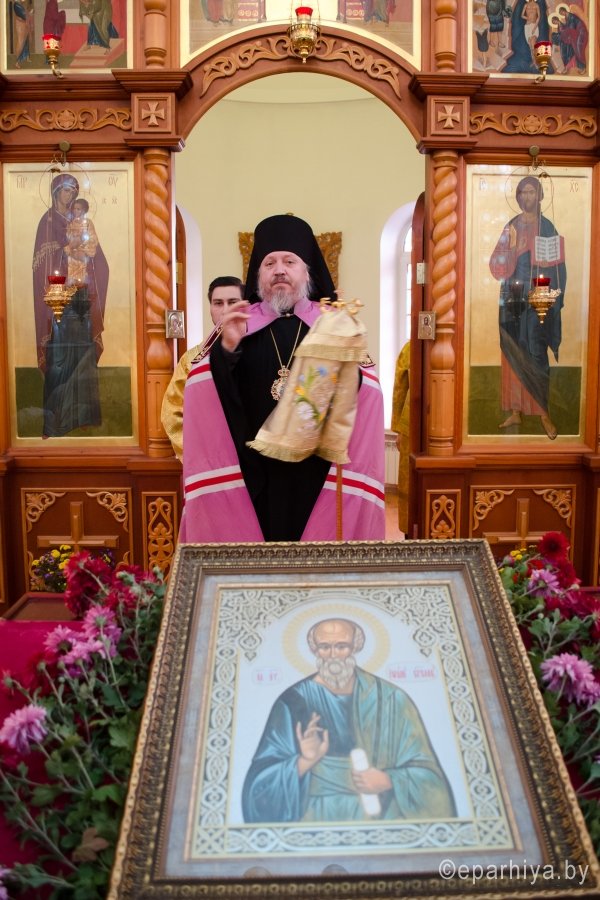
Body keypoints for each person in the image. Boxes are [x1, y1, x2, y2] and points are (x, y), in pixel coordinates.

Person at [178, 213, 385, 542]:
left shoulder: (331, 324)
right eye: (269, 263)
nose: (279, 270)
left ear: (306, 272)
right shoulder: (238, 324)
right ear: (258, 275)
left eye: (289, 261)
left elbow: (366, 393)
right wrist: (227, 350)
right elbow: (206, 392)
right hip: (254, 472)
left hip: (316, 472)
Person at [242, 617, 456, 823]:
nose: (333, 655)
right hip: (317, 817)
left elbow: (428, 775)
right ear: (314, 650)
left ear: (355, 647)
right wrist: (305, 761)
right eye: (324, 647)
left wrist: (389, 780)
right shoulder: (291, 701)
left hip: (383, 816)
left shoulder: (391, 699)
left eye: (342, 646)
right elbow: (258, 787)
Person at [32, 172, 109, 438]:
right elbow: (41, 264)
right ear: (56, 192)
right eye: (66, 190)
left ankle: (84, 416)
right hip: (58, 301)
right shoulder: (48, 222)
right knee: (59, 359)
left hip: (81, 298)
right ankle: (53, 424)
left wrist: (88, 258)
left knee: (83, 354)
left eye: (73, 192)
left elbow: (99, 261)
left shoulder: (83, 223)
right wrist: (64, 251)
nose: (70, 196)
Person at [489, 175, 566, 440]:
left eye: (532, 192)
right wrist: (511, 247)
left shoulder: (547, 227)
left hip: (539, 294)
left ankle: (543, 412)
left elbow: (559, 269)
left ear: (540, 196)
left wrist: (551, 283)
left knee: (536, 349)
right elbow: (496, 267)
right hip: (513, 295)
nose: (528, 197)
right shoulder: (511, 227)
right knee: (513, 349)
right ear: (518, 197)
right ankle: (516, 410)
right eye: (523, 192)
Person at [161, 275, 244, 461]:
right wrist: (200, 454)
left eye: (232, 302)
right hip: (211, 461)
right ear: (210, 309)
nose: (225, 310)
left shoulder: (261, 350)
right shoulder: (192, 360)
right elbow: (173, 413)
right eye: (218, 303)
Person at [391, 340, 410, 535]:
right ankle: (409, 532)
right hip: (410, 427)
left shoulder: (410, 347)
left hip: (410, 425)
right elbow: (400, 389)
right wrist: (398, 430)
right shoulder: (410, 348)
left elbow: (399, 390)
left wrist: (398, 428)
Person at [64, 199, 99, 286]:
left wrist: (82, 242)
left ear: (84, 210)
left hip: (83, 253)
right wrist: (73, 241)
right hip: (72, 258)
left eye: (78, 209)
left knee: (82, 282)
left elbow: (93, 239)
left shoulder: (88, 223)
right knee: (72, 282)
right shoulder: (71, 224)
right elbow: (68, 238)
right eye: (74, 209)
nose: (75, 211)